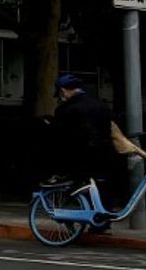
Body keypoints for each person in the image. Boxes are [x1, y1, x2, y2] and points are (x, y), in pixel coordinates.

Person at [50, 73, 121, 212]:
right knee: (103, 187)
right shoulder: (101, 106)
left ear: (63, 91)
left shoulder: (65, 110)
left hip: (79, 156)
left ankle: (85, 214)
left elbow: (59, 136)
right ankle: (103, 220)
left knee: (81, 186)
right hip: (104, 153)